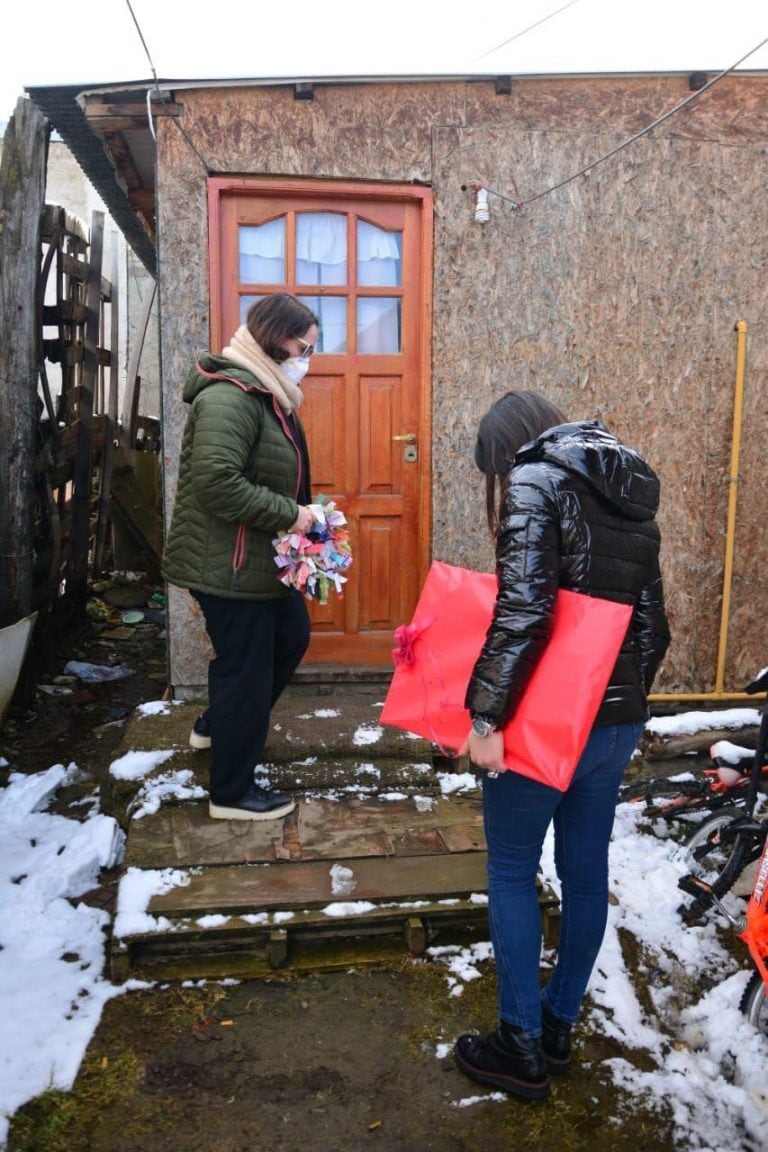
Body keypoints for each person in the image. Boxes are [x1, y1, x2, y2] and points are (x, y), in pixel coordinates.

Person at [455, 390, 670, 1100]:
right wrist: (620, 706)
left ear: (508, 451)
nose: (498, 483)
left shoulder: (533, 479)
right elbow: (653, 627)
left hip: (545, 730)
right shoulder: (631, 486)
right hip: (616, 725)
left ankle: (516, 1045)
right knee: (584, 876)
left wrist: (485, 720)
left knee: (513, 870)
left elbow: (524, 610)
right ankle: (556, 1025)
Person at [163, 292, 320, 821]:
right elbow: (217, 483)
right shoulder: (231, 396)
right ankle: (231, 793)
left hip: (257, 563)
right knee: (245, 672)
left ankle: (217, 725)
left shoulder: (267, 393)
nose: (308, 358)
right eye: (305, 346)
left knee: (291, 637)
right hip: (229, 567)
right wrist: (290, 515)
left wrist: (306, 517)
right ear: (278, 339)